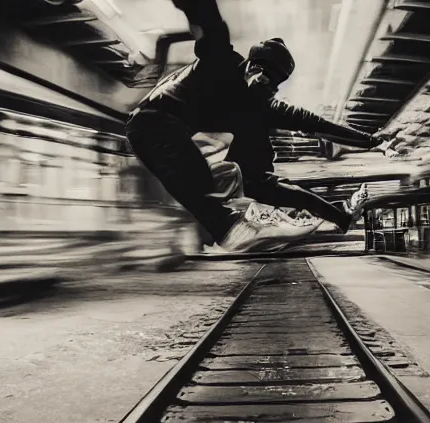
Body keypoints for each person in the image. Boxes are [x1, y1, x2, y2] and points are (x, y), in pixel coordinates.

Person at [126, 0, 384, 253]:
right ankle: (227, 227)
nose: (268, 86)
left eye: (275, 83)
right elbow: (207, 18)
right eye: (264, 75)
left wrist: (371, 140)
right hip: (151, 121)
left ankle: (338, 213)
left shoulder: (259, 105)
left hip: (174, 133)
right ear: (249, 66)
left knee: (258, 182)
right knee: (189, 160)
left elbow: (315, 124)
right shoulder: (221, 61)